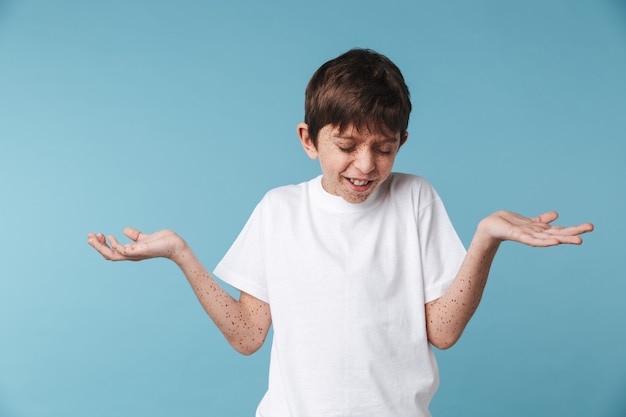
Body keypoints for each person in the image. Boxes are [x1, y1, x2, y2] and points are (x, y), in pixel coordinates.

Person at [87, 48, 593, 417]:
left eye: (384, 148)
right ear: (309, 139)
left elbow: (442, 331)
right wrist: (180, 252)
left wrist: (484, 240)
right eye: (347, 145)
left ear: (402, 142)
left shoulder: (415, 198)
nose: (366, 165)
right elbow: (247, 335)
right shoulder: (279, 210)